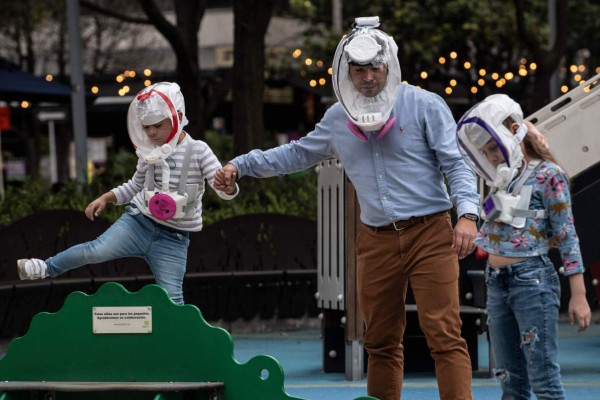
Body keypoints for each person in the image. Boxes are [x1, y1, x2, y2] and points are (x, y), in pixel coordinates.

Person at [215, 16, 479, 400]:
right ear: (346, 71)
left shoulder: (424, 105)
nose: (369, 76)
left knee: (444, 334)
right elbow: (296, 154)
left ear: (389, 65)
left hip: (430, 232)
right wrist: (241, 165)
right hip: (375, 238)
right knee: (380, 340)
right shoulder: (338, 118)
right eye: (359, 69)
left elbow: (456, 163)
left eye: (375, 66)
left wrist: (468, 214)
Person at [17, 82, 238, 305]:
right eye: (146, 127)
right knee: (95, 251)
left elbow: (218, 183)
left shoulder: (199, 150)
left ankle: (176, 340)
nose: (151, 132)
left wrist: (228, 188)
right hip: (138, 222)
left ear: (178, 116)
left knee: (173, 301)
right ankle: (46, 267)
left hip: (174, 238)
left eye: (157, 125)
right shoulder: (147, 152)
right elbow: (134, 185)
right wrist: (106, 197)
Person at [456, 94, 591, 399]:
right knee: (509, 380)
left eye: (495, 148)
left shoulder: (549, 175)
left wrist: (579, 294)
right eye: (486, 151)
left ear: (513, 133)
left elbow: (567, 234)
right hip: (497, 282)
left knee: (543, 379)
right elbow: (495, 228)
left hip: (532, 281)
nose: (492, 157)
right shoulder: (502, 181)